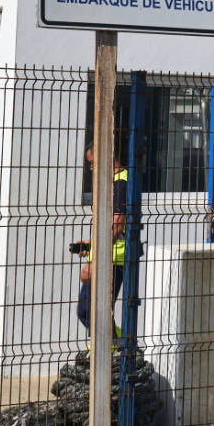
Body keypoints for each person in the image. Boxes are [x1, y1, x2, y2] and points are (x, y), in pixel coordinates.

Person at [75, 142, 128, 333]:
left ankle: (114, 348)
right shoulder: (111, 183)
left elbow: (116, 226)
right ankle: (116, 346)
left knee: (91, 310)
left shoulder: (120, 183)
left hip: (113, 258)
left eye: (92, 162)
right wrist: (91, 245)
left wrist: (97, 258)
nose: (90, 168)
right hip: (107, 254)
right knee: (89, 310)